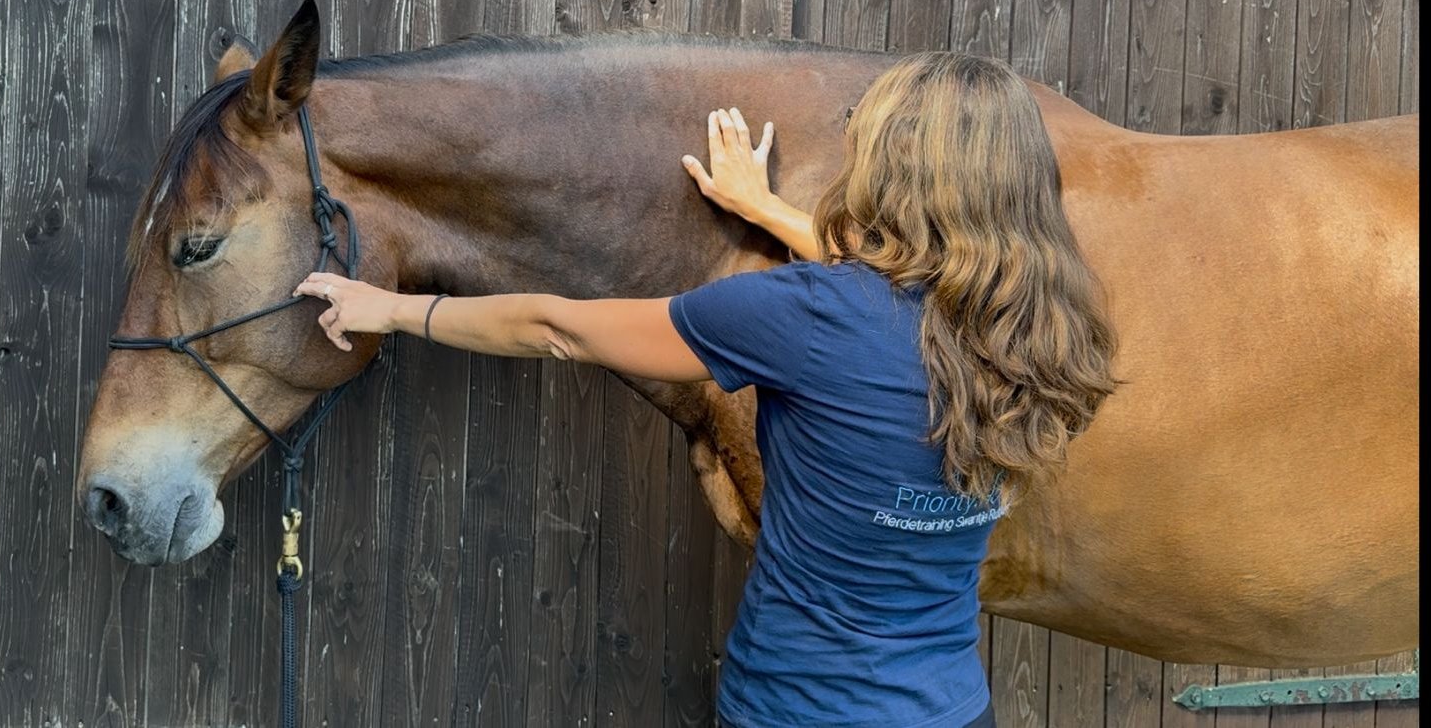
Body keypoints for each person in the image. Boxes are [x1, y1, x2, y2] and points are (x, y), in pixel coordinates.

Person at [295, 52, 1119, 728]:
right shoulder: (1040, 334)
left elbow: (557, 327)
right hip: (955, 709)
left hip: (799, 712)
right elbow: (905, 298)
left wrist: (392, 308)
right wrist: (767, 210)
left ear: (892, 168)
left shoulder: (805, 316)